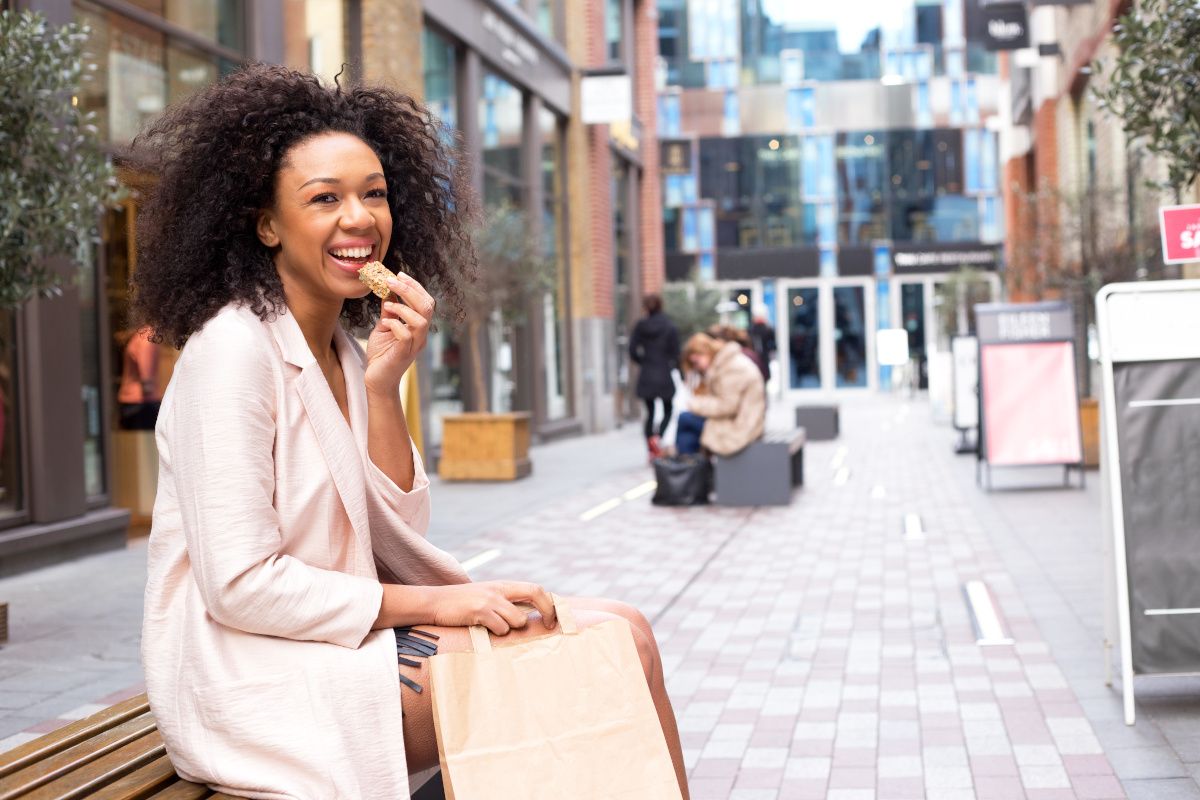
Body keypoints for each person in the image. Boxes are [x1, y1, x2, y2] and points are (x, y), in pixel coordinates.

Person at [132, 65, 688, 799]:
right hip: (250, 677)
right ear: (266, 224)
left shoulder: (343, 351)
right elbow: (241, 586)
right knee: (593, 657)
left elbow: (394, 529)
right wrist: (443, 604)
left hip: (340, 641)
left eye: (374, 193)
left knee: (628, 629)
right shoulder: (233, 351)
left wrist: (384, 388)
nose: (359, 218)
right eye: (324, 198)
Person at [675, 333, 766, 456]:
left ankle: (685, 468)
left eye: (696, 362)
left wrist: (695, 404)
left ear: (706, 351)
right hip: (737, 419)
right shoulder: (724, 363)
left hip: (742, 426)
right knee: (688, 429)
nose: (697, 367)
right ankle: (689, 468)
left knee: (685, 419)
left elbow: (727, 406)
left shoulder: (731, 367)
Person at [628, 294, 680, 459]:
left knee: (649, 413)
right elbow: (676, 352)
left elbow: (632, 350)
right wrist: (672, 365)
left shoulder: (641, 326)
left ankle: (651, 447)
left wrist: (643, 361)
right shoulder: (669, 325)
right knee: (668, 409)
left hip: (647, 372)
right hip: (664, 372)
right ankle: (659, 437)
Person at [116, 326, 162, 430]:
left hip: (134, 401)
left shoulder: (139, 335)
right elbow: (147, 380)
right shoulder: (147, 337)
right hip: (141, 403)